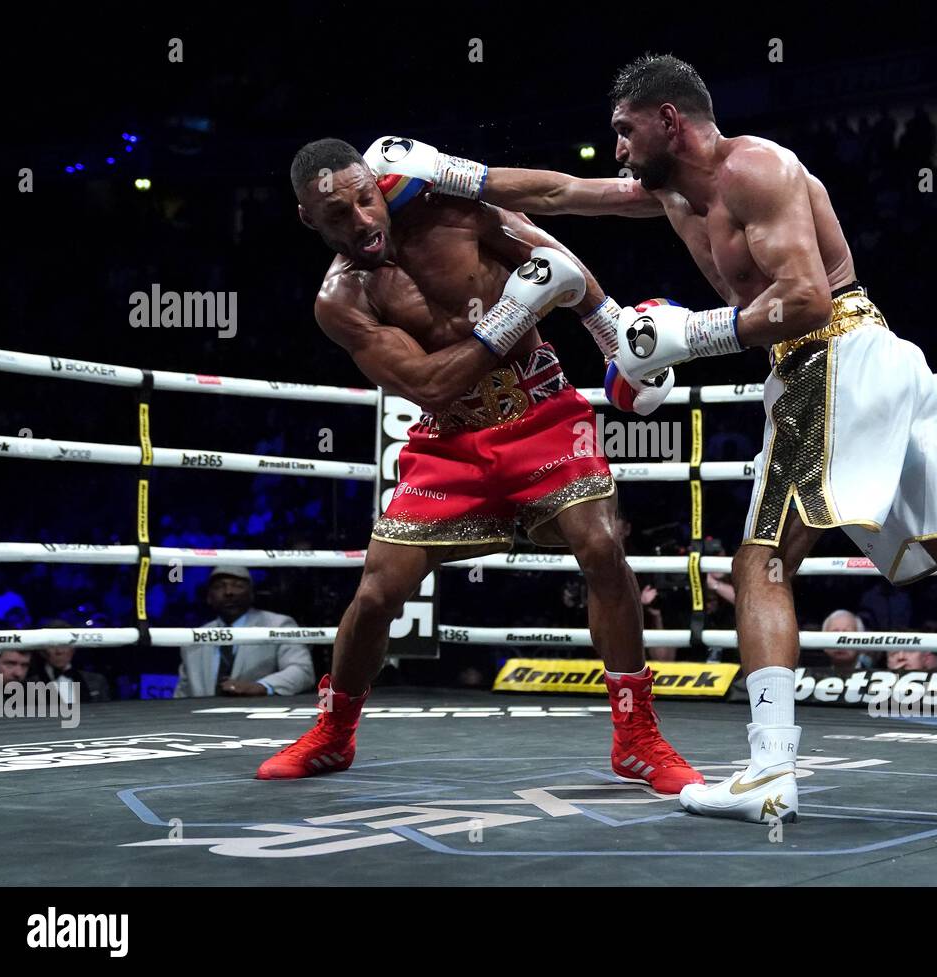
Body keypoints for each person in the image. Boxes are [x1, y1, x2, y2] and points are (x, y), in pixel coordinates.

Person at [403, 54, 937, 820]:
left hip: (831, 354)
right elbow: (555, 194)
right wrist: (451, 173)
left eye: (624, 130)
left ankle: (770, 771)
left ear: (668, 119)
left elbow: (803, 300)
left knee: (760, 558)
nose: (615, 149)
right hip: (858, 362)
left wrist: (688, 337)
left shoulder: (755, 170)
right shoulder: (671, 191)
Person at [257, 138, 701, 793]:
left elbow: (551, 256)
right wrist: (514, 311)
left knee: (602, 545)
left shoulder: (448, 209)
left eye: (362, 199)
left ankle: (637, 738)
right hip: (450, 437)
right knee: (379, 590)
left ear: (377, 185)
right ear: (309, 222)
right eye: (337, 218)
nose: (360, 221)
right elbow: (430, 387)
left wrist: (609, 331)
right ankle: (333, 731)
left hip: (542, 411)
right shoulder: (341, 300)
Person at [175, 567, 315, 698]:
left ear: (252, 594)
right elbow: (182, 693)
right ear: (209, 597)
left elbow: (303, 671)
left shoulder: (278, 625)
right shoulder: (193, 638)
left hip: (259, 719)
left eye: (238, 585)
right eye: (219, 586)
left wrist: (261, 686)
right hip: (201, 721)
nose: (229, 592)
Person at [28, 621, 111, 702]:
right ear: (42, 651)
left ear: (73, 649)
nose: (59, 651)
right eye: (52, 645)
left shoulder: (97, 681)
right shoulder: (29, 685)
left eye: (64, 644)